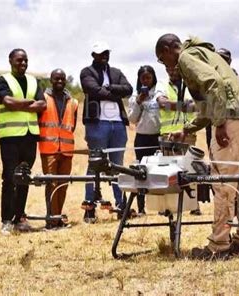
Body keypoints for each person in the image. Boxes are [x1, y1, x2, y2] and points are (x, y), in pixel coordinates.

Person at [156, 34, 239, 260]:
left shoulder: (186, 57)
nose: (166, 65)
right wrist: (188, 129)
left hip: (231, 117)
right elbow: (210, 100)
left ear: (167, 49)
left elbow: (214, 84)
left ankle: (219, 246)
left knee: (223, 183)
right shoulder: (204, 53)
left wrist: (220, 123)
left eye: (162, 59)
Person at [0, 48, 46, 235]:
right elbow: (8, 102)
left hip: (30, 136)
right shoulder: (2, 80)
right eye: (19, 60)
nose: (23, 64)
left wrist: (21, 103)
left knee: (24, 178)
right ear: (10, 61)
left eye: (25, 61)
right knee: (9, 178)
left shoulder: (34, 81)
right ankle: (6, 220)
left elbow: (43, 104)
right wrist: (30, 103)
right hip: (10, 137)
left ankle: (19, 218)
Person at [80, 42, 133, 223]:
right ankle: (89, 206)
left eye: (106, 52)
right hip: (97, 124)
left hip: (118, 124)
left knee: (117, 165)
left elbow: (128, 89)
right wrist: (114, 92)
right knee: (94, 164)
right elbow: (92, 89)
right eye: (100, 53)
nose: (104, 55)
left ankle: (121, 205)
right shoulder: (86, 72)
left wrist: (109, 89)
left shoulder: (116, 72)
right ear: (93, 55)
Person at [155, 65, 202, 216]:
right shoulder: (162, 84)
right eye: (169, 69)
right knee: (168, 172)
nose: (172, 71)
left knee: (190, 169)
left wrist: (173, 105)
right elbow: (162, 103)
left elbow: (197, 107)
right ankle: (168, 206)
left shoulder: (190, 85)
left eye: (175, 69)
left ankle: (194, 205)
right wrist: (184, 106)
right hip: (167, 134)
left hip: (187, 133)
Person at [38, 69, 78, 229]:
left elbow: (72, 125)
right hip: (49, 149)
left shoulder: (73, 102)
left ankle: (58, 217)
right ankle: (51, 220)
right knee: (51, 184)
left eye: (62, 79)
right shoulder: (43, 98)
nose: (59, 81)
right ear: (51, 80)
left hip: (67, 150)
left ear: (66, 80)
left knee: (62, 185)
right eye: (56, 79)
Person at [127, 65, 160, 216]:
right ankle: (141, 208)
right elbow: (132, 119)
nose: (146, 80)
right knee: (141, 172)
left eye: (149, 77)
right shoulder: (134, 97)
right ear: (139, 80)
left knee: (158, 171)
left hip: (157, 137)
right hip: (142, 138)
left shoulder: (160, 94)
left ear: (153, 78)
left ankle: (160, 206)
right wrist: (139, 102)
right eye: (143, 78)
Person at [205, 47, 239, 149]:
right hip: (214, 122)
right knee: (214, 153)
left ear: (230, 61)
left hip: (234, 122)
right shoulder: (209, 77)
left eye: (224, 58)